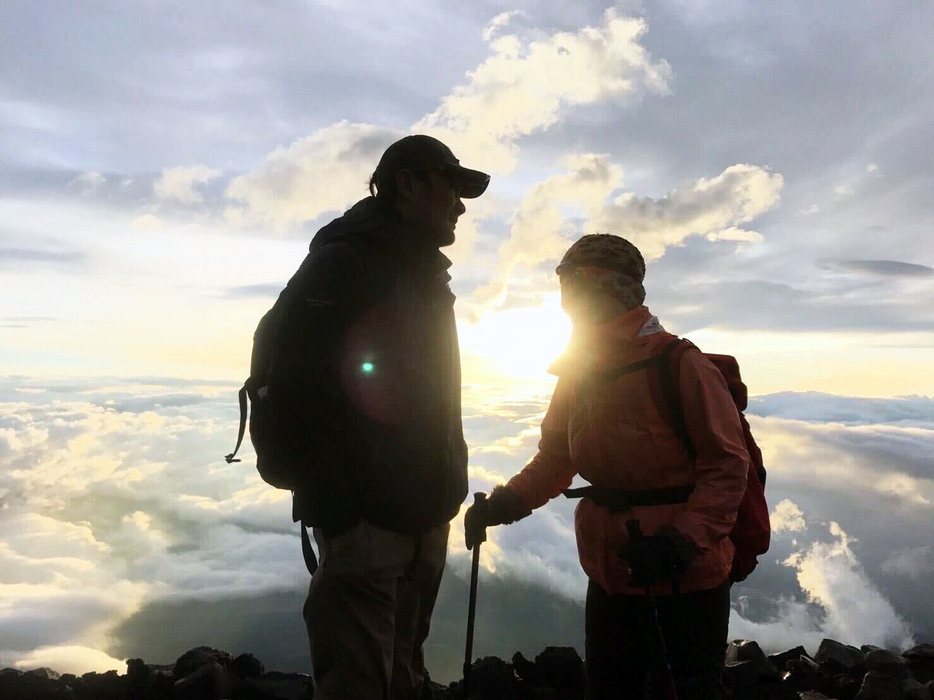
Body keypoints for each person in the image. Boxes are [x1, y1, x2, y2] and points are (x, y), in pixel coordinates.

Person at [465, 234, 749, 700]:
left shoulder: (679, 363)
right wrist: (505, 504)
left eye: (577, 286)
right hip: (612, 569)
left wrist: (679, 543)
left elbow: (727, 466)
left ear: (613, 290)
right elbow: (558, 457)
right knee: (611, 687)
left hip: (684, 576)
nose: (569, 300)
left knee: (684, 690)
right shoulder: (581, 370)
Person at [276, 135, 489, 700]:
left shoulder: (414, 269)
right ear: (408, 183)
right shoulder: (349, 263)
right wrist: (343, 504)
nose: (461, 206)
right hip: (369, 522)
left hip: (420, 516)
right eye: (452, 186)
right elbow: (299, 381)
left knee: (401, 676)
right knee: (360, 685)